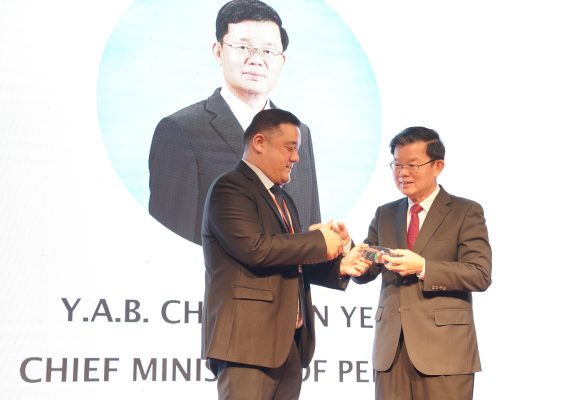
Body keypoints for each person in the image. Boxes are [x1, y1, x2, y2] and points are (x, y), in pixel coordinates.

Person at [201, 109, 368, 399]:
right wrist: (320, 242)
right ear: (259, 142)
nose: (296, 158)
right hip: (248, 345)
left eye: (297, 149)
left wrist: (339, 265)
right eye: (290, 148)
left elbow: (289, 260)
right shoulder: (230, 188)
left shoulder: (283, 199)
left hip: (287, 344)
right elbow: (256, 250)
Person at [148, 0, 320, 245]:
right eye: (243, 47)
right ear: (219, 52)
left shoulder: (301, 133)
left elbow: (310, 237)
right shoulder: (181, 131)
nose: (256, 60)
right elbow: (170, 242)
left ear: (282, 61)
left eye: (268, 51)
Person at [353, 127, 492, 400]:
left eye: (412, 165)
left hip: (444, 351)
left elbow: (479, 273)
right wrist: (350, 252)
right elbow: (366, 267)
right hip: (391, 352)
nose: (402, 173)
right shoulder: (385, 213)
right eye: (397, 165)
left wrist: (423, 267)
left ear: (437, 166)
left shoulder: (465, 211)